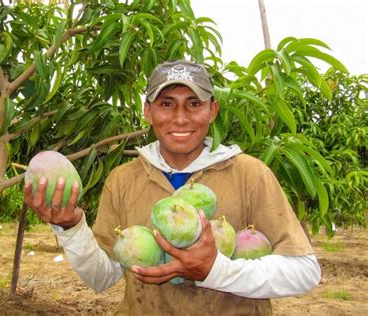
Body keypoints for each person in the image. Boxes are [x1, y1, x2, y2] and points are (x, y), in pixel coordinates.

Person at [24, 59, 321, 315]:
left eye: (194, 104)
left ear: (213, 110)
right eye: (167, 104)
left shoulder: (249, 174)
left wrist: (215, 271)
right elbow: (102, 278)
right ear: (148, 111)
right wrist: (70, 227)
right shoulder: (123, 179)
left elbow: (304, 273)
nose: (180, 117)